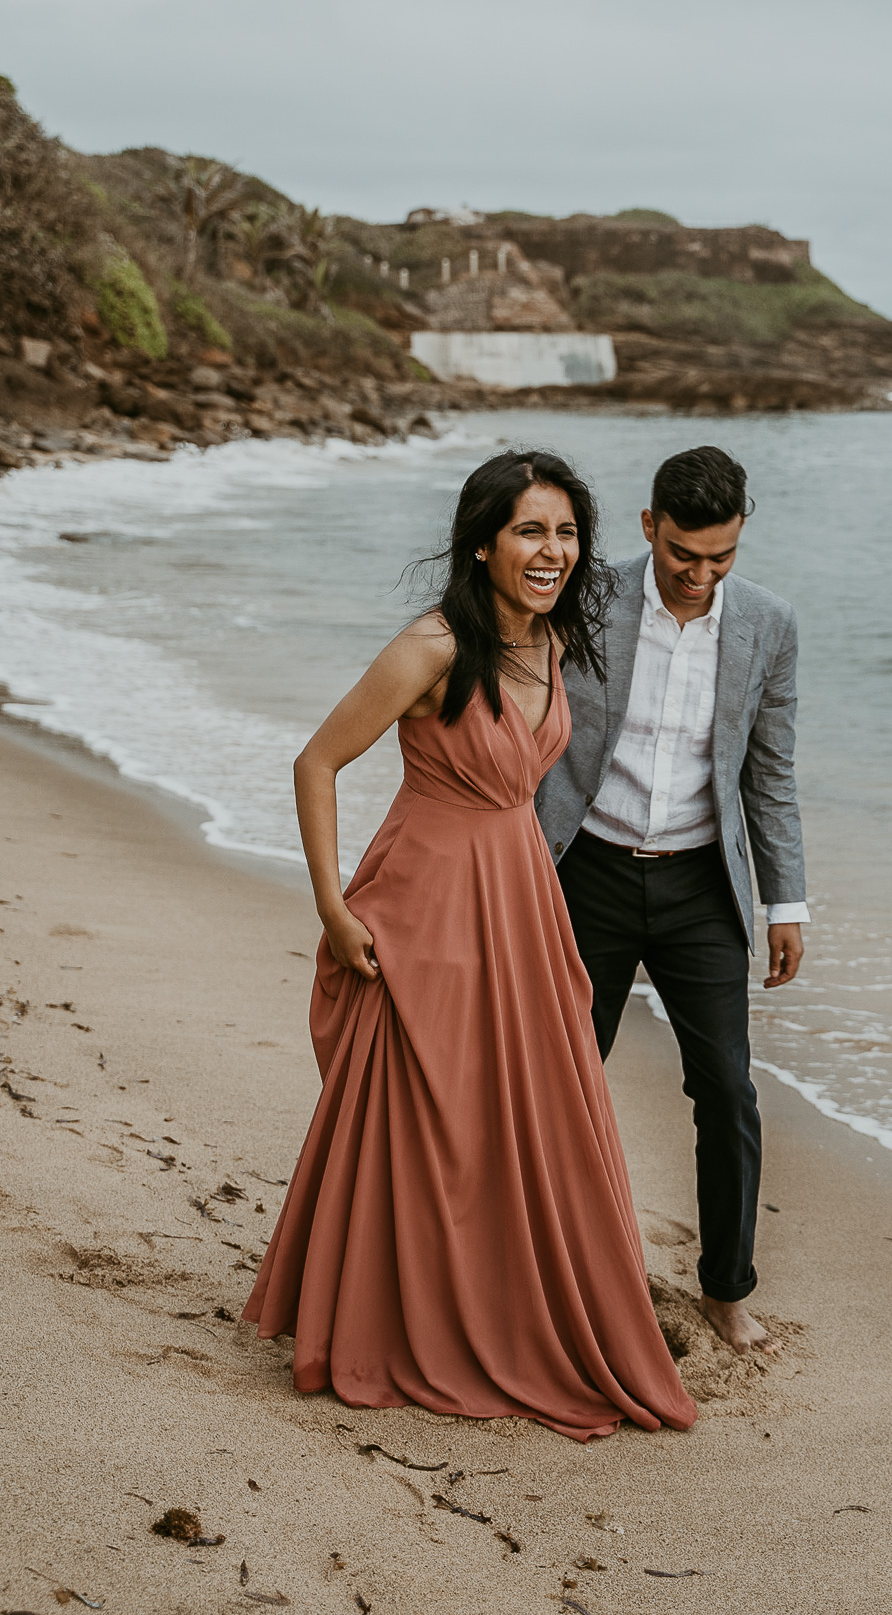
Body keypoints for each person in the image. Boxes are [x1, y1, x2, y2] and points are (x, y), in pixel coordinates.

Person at [243, 450, 696, 1442]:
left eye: (567, 532)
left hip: (519, 898)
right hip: (428, 902)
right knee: (426, 1113)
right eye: (530, 531)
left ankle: (499, 1302)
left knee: (522, 1112)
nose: (552, 551)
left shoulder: (549, 641)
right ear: (484, 540)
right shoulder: (434, 645)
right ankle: (395, 1319)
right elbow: (317, 760)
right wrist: (330, 903)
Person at [536, 445, 807, 1356]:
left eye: (720, 558)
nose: (699, 576)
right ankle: (542, 1271)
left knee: (727, 1089)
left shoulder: (768, 625)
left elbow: (769, 772)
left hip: (701, 887)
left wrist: (787, 903)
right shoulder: (588, 598)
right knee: (562, 1081)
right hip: (586, 871)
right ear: (650, 527)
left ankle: (727, 1290)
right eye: (683, 554)